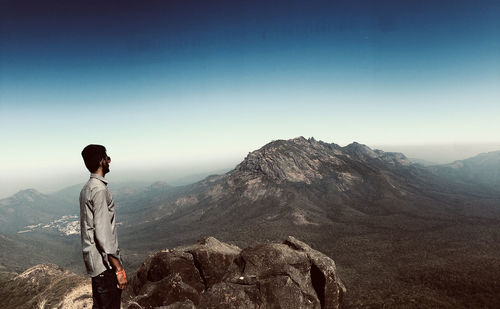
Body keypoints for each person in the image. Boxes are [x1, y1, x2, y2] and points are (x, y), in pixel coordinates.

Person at [80, 144, 128, 309]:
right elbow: (102, 234)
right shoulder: (99, 190)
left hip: (95, 265)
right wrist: (119, 269)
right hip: (105, 265)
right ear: (101, 161)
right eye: (107, 157)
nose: (109, 160)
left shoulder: (86, 188)